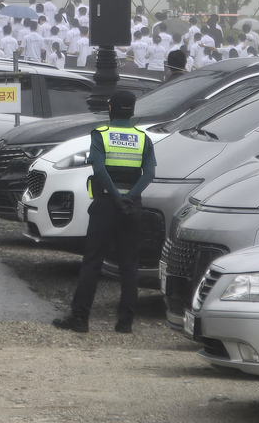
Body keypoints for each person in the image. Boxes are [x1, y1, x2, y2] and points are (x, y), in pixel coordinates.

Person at [52, 89, 156, 334]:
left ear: (110, 109)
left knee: (93, 262)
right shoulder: (143, 138)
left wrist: (115, 197)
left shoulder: (100, 135)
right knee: (129, 266)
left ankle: (80, 319)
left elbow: (99, 169)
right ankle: (125, 323)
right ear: (132, 111)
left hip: (106, 204)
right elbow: (149, 173)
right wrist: (129, 197)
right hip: (132, 207)